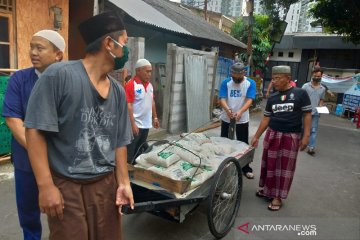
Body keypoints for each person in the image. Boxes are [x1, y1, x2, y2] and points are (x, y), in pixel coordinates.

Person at [24, 11, 134, 240]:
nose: (125, 50)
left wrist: (123, 182)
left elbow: (120, 143)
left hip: (105, 185)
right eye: (124, 43)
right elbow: (34, 130)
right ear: (108, 43)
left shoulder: (118, 92)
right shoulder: (59, 75)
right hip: (67, 186)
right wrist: (46, 186)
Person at [2, 29, 65, 240]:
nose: (33, 52)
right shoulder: (19, 79)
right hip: (26, 160)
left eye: (40, 47)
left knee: (64, 211)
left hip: (62, 161)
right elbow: (13, 119)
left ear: (58, 54)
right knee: (29, 211)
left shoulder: (68, 81)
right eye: (31, 47)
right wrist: (39, 152)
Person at [251, 65, 311, 211]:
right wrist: (257, 136)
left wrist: (306, 136)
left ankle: (278, 197)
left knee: (284, 168)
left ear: (288, 78)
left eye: (278, 78)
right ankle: (267, 190)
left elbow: (307, 114)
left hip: (290, 136)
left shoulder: (300, 94)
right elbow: (266, 119)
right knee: (269, 165)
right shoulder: (272, 98)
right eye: (273, 78)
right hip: (273, 134)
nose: (274, 81)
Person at [219, 62, 256, 179]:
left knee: (243, 143)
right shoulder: (226, 82)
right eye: (234, 75)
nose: (236, 78)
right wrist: (227, 109)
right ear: (231, 73)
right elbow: (222, 98)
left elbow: (250, 100)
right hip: (227, 117)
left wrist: (240, 112)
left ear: (244, 73)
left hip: (242, 119)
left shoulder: (250, 83)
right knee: (224, 141)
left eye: (238, 76)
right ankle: (223, 166)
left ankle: (245, 168)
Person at [125, 58, 160, 163]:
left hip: (146, 124)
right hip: (136, 125)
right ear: (138, 70)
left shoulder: (149, 86)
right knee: (131, 148)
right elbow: (128, 105)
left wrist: (155, 117)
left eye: (150, 72)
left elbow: (152, 101)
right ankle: (127, 168)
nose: (149, 74)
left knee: (140, 146)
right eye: (147, 71)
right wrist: (133, 124)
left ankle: (137, 166)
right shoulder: (131, 84)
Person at [302, 67, 326, 155]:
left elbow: (322, 99)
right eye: (315, 75)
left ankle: (311, 147)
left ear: (321, 76)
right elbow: (300, 97)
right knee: (302, 128)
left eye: (318, 76)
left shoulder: (323, 89)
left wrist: (321, 105)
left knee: (313, 130)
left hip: (315, 113)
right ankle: (301, 142)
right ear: (312, 75)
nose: (317, 77)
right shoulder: (305, 86)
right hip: (304, 112)